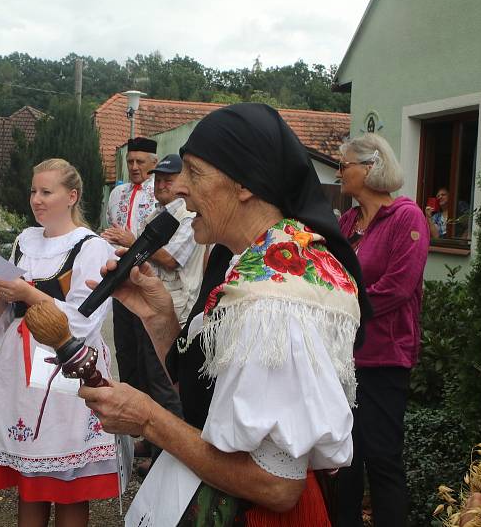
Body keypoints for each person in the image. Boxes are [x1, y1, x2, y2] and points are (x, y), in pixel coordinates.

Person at [80, 103, 371, 525]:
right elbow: (209, 395)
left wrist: (147, 419)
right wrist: (158, 314)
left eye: (194, 173)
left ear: (244, 185)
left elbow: (275, 485)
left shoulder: (275, 297)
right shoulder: (242, 260)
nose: (179, 188)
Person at [0, 158, 118, 527]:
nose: (36, 199)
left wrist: (28, 291)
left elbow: (84, 320)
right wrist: (0, 294)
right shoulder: (25, 239)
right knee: (31, 473)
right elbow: (11, 311)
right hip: (22, 360)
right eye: (33, 191)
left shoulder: (90, 247)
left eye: (46, 192)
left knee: (67, 471)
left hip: (66, 359)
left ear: (72, 196)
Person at [334, 133, 429, 527]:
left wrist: (341, 305)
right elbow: (331, 273)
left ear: (370, 167)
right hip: (344, 358)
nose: (339, 172)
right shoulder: (347, 221)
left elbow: (398, 287)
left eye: (343, 165)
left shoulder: (407, 217)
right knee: (344, 459)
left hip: (384, 357)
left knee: (383, 457)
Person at [101, 137, 183, 454]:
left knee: (156, 366)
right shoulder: (117, 194)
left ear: (153, 163)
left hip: (151, 286)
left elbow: (166, 253)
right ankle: (138, 434)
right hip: (123, 285)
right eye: (130, 161)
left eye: (141, 162)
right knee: (128, 356)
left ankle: (159, 435)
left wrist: (131, 240)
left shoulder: (162, 195)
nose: (134, 167)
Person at [138, 154, 206, 326]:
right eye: (157, 180)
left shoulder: (189, 216)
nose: (160, 186)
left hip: (178, 311)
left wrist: (134, 243)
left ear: (183, 182)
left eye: (168, 181)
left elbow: (170, 259)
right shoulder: (155, 214)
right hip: (153, 304)